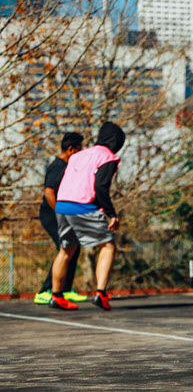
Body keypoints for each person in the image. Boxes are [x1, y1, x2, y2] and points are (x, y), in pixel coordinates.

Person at [48, 121, 125, 311]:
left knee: (66, 250)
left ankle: (56, 296)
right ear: (116, 142)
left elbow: (60, 181)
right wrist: (111, 214)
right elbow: (101, 186)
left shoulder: (78, 155)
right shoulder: (108, 157)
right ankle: (101, 293)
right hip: (82, 205)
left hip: (62, 205)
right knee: (107, 245)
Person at [34, 132, 87, 305]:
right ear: (71, 149)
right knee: (65, 249)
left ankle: (65, 289)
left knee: (73, 248)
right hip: (51, 215)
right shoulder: (57, 166)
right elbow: (49, 191)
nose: (82, 151)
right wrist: (60, 212)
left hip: (63, 214)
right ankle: (45, 291)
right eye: (80, 148)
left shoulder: (69, 165)